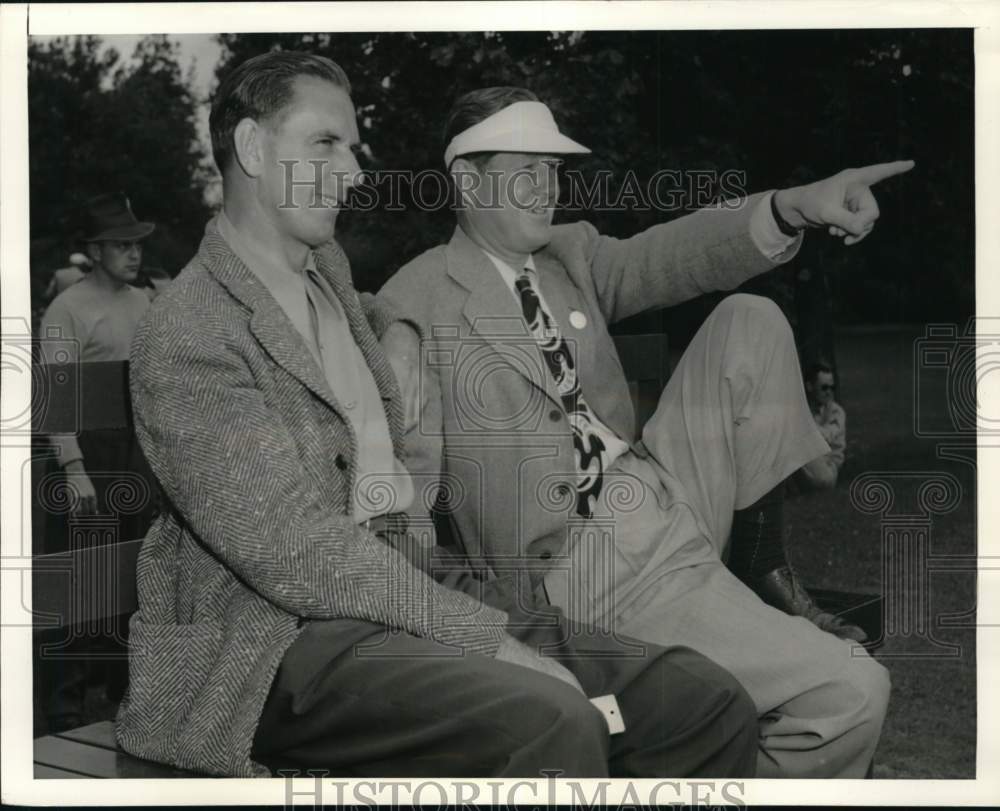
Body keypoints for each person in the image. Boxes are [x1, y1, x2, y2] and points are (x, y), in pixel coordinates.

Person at [115, 51, 759, 779]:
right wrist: (484, 637)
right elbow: (299, 552)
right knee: (553, 720)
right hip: (277, 640)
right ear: (252, 148)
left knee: (702, 701)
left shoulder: (327, 279)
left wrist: (399, 326)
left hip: (407, 579)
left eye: (353, 148)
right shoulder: (190, 328)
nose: (355, 172)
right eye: (325, 143)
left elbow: (372, 322)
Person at [378, 87, 909, 778]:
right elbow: (404, 506)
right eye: (527, 169)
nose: (549, 187)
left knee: (749, 319)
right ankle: (728, 762)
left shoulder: (570, 255)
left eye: (554, 169)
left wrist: (793, 204)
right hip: (590, 571)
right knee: (853, 691)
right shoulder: (412, 303)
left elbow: (671, 255)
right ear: (467, 180)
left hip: (667, 489)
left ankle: (759, 562)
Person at [36, 193, 157, 731]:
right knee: (76, 578)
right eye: (121, 245)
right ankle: (62, 708)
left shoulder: (143, 302)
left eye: (136, 245)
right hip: (87, 453)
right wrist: (72, 464)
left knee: (127, 573)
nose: (133, 254)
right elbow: (53, 395)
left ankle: (120, 694)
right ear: (95, 249)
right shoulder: (68, 307)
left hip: (134, 451)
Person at [797, 360, 847, 489]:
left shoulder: (836, 412)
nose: (829, 392)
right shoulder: (803, 410)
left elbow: (825, 437)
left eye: (832, 387)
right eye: (824, 387)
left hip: (828, 467)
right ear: (809, 387)